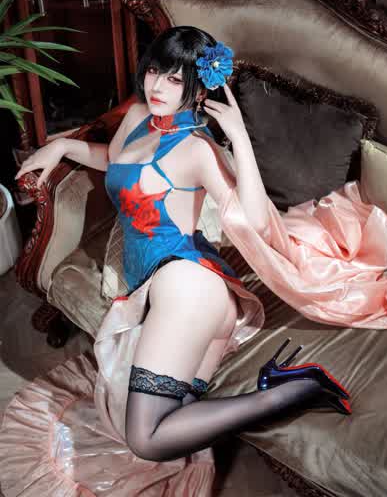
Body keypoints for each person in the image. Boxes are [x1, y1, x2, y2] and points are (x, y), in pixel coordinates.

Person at [13, 26, 351, 468]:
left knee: (146, 440)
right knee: (173, 418)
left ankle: (295, 390)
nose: (157, 86)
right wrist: (61, 146)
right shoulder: (139, 115)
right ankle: (276, 382)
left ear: (198, 90)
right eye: (155, 71)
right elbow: (115, 163)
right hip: (172, 287)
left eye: (175, 80)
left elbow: (254, 220)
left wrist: (239, 137)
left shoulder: (197, 149)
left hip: (189, 286)